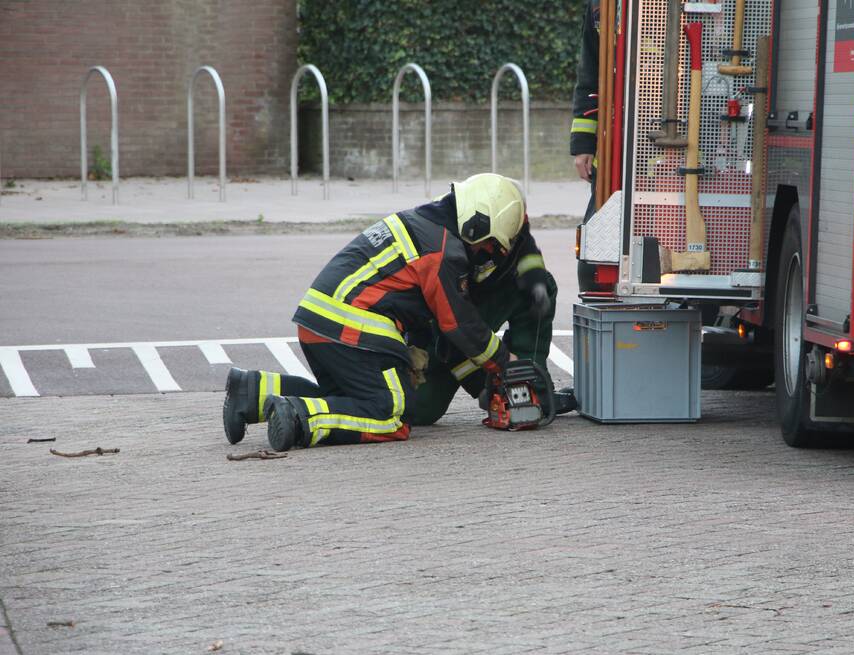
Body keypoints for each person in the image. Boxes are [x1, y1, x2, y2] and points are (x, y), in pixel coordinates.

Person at [222, 173, 526, 451]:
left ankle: (253, 392)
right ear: (478, 224)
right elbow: (459, 325)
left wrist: (481, 385)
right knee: (389, 413)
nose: (486, 256)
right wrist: (505, 364)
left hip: (320, 321)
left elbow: (442, 334)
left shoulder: (424, 225)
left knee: (349, 404)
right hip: (352, 327)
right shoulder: (443, 251)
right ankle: (300, 419)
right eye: (489, 247)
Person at [403, 197, 573, 426]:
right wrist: (488, 384)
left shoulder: (506, 217)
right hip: (442, 328)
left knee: (539, 286)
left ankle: (533, 389)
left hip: (477, 308)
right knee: (420, 411)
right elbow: (455, 332)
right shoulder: (444, 245)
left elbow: (526, 249)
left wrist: (536, 282)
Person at [572, 0, 601, 289]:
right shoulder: (598, 6)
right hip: (614, 156)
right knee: (591, 264)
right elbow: (589, 77)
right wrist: (583, 145)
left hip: (681, 164)